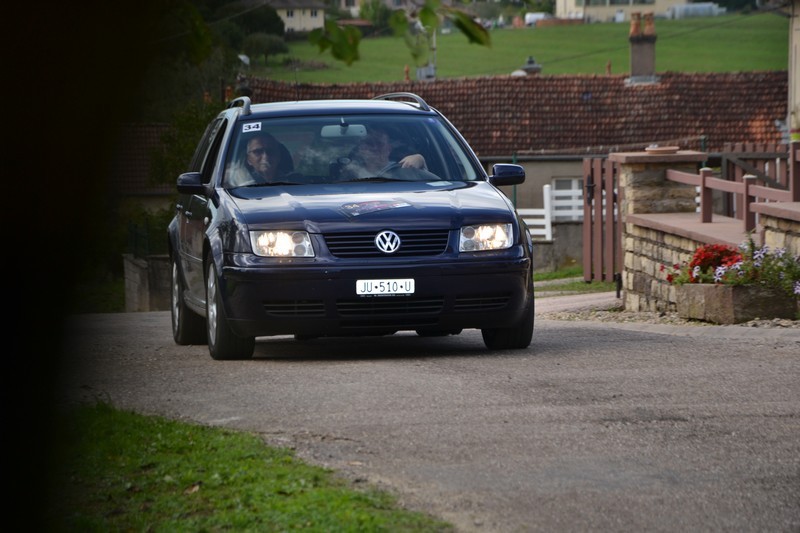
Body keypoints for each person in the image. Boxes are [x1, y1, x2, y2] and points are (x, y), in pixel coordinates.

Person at [340, 127, 426, 179]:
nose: (375, 147)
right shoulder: (351, 173)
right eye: (369, 143)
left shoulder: (406, 168)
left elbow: (429, 184)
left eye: (379, 143)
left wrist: (420, 160)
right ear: (361, 149)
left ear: (388, 149)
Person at [227, 132, 294, 186]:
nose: (265, 157)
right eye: (257, 152)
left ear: (278, 157)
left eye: (270, 151)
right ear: (248, 159)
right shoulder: (236, 184)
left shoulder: (294, 181)